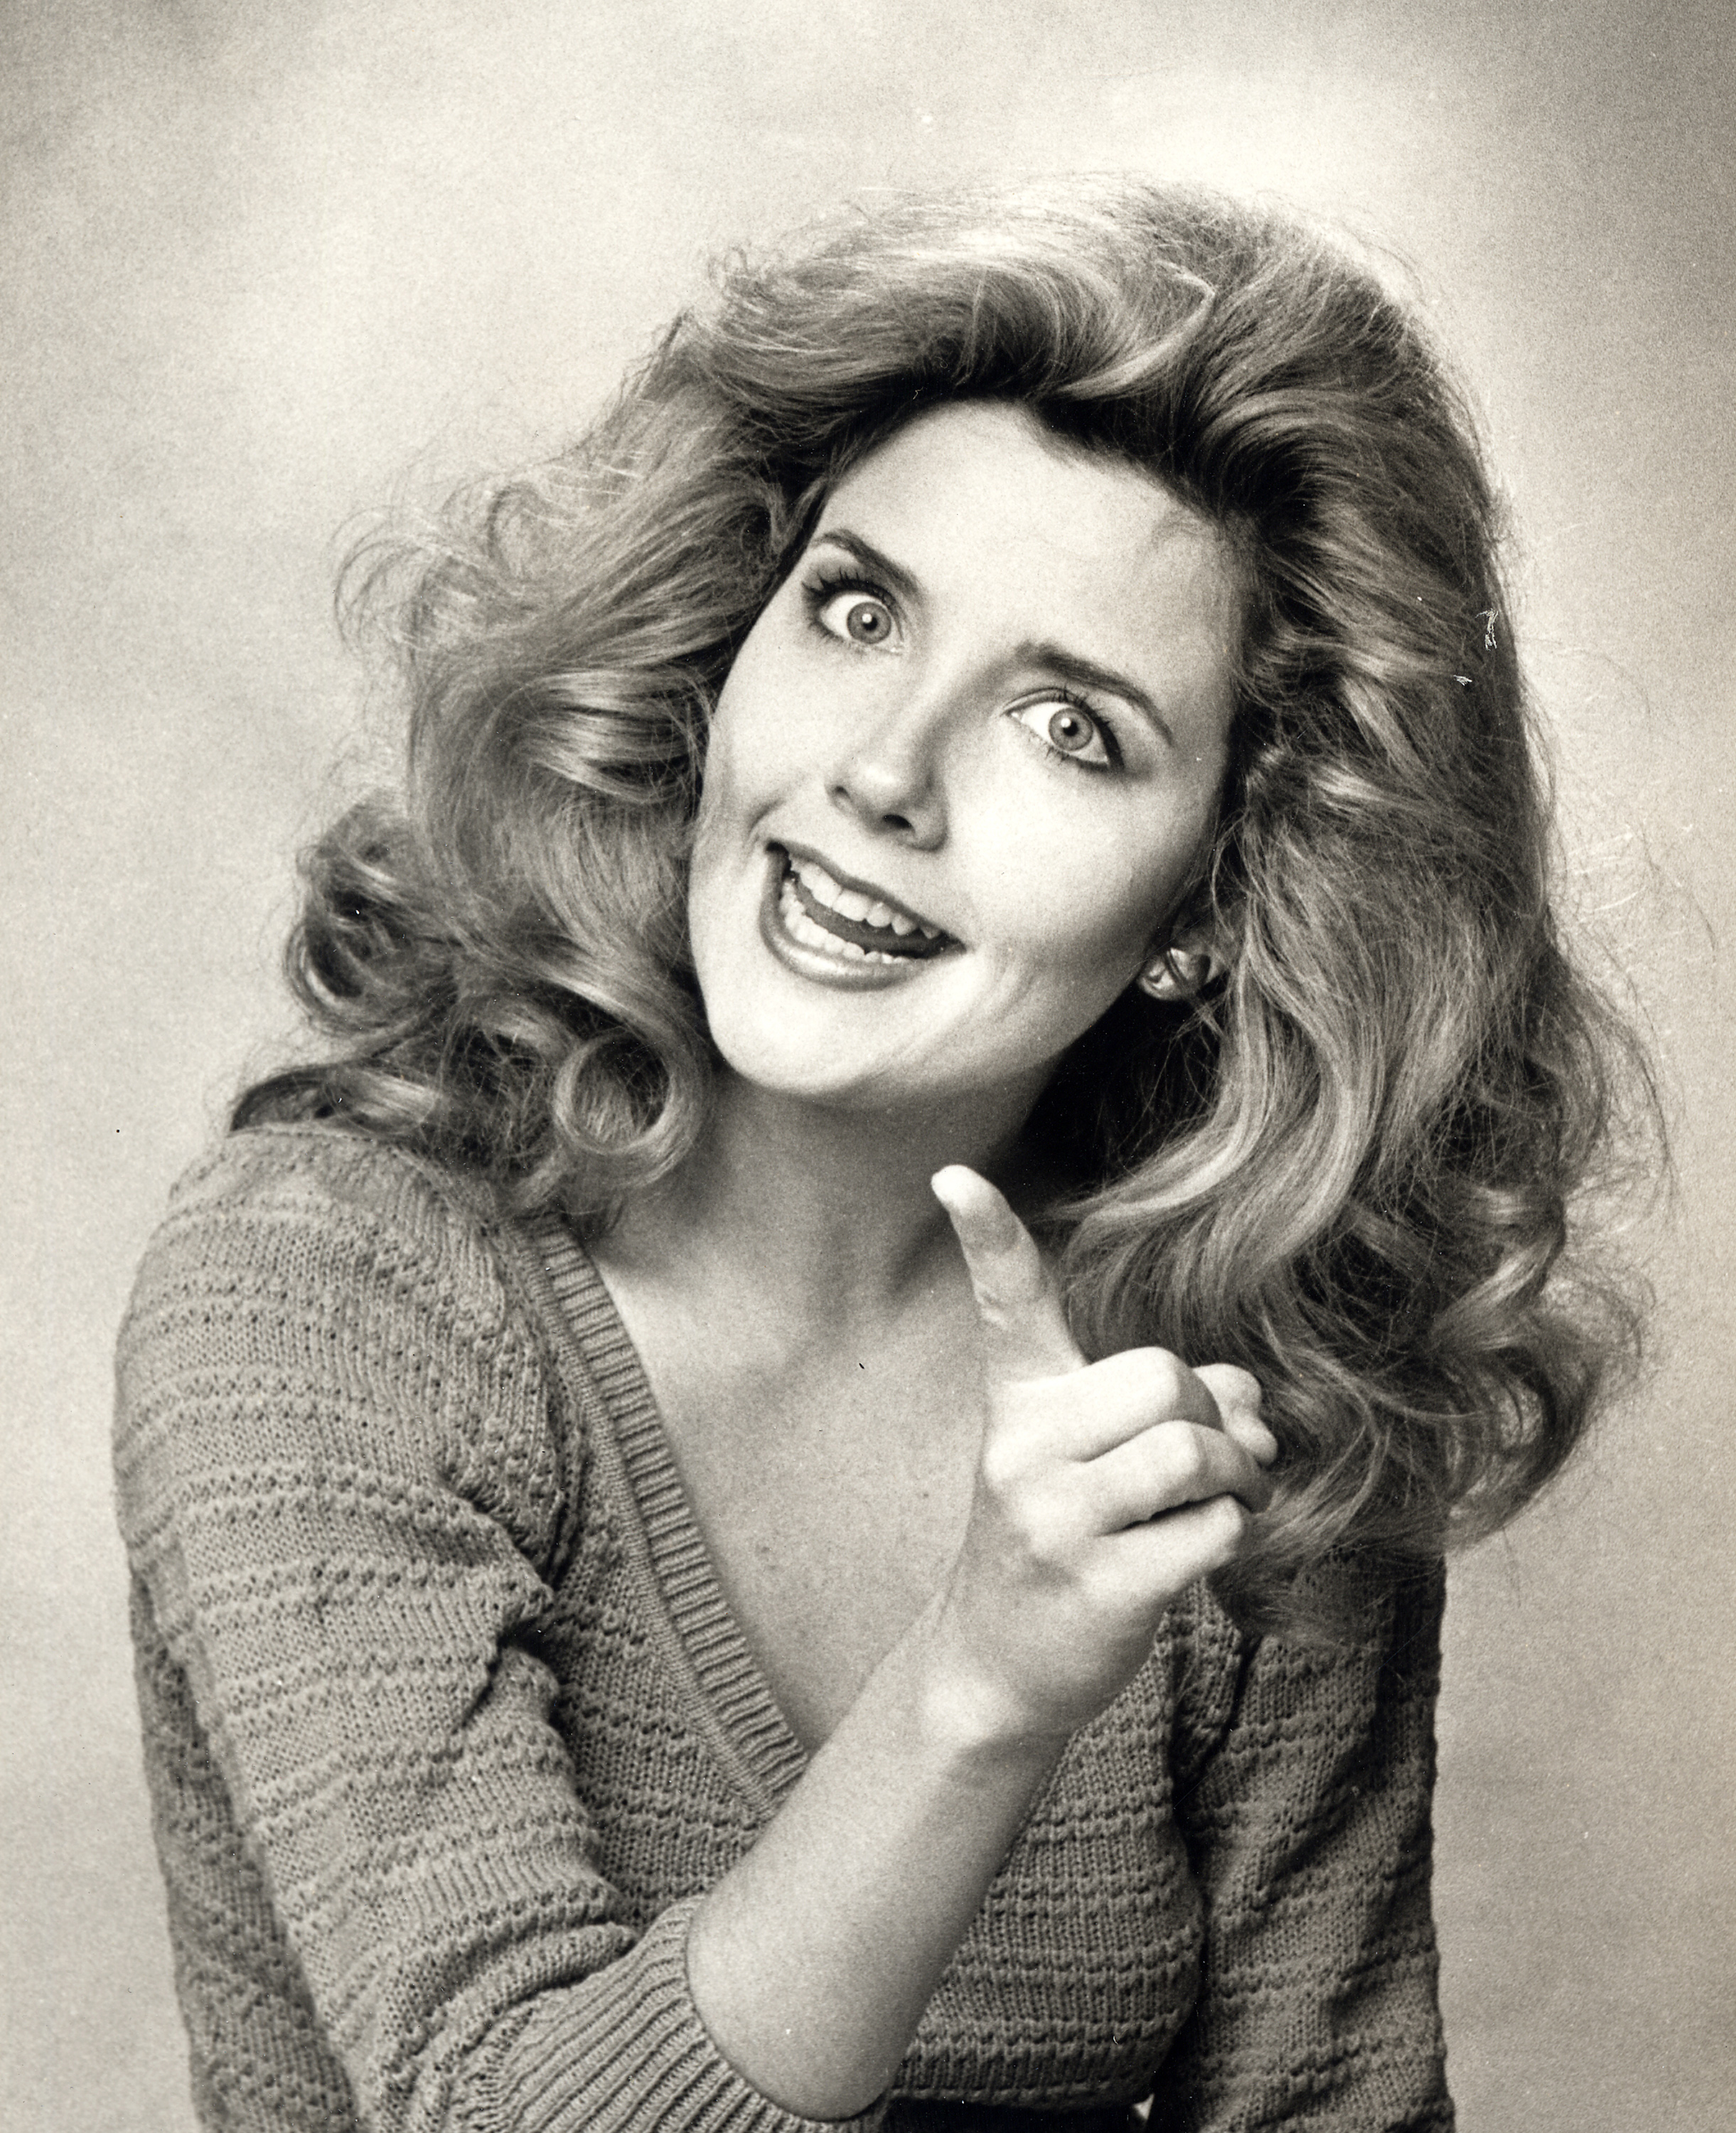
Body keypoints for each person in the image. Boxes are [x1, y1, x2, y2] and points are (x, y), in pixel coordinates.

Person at [115, 178, 1649, 2133]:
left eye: (1069, 730)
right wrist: (983, 1685)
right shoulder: (324, 1286)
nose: (881, 774)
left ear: (1220, 894)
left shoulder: (1224, 1391)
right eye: (856, 613)